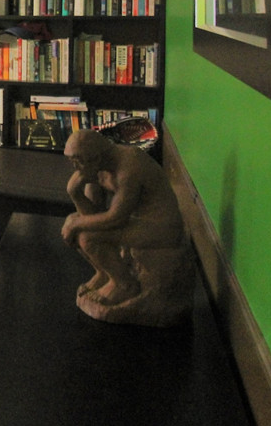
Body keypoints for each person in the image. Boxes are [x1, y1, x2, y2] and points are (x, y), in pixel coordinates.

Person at [61, 129, 185, 308]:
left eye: (77, 161)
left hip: (161, 227)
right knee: (74, 224)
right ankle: (104, 273)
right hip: (134, 221)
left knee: (86, 236)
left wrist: (75, 224)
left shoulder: (130, 165)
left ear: (96, 157)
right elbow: (91, 215)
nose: (75, 167)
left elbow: (116, 218)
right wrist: (75, 194)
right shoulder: (98, 168)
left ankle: (125, 285)